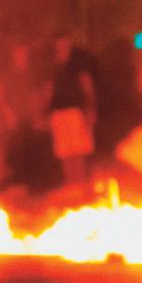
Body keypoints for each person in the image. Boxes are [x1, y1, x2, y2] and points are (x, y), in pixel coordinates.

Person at [47, 33, 97, 192]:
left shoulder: (77, 65)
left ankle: (80, 183)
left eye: (65, 44)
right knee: (64, 152)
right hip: (58, 113)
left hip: (75, 112)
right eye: (59, 45)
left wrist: (91, 109)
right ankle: (71, 185)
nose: (62, 47)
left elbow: (87, 86)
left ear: (69, 45)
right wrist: (45, 112)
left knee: (78, 150)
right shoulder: (52, 66)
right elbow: (49, 91)